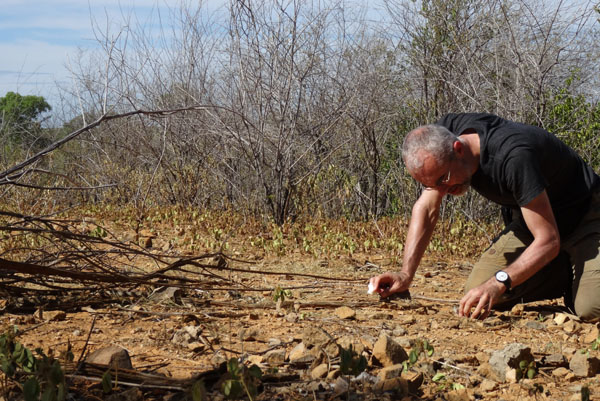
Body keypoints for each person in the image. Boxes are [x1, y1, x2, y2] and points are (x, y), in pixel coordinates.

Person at [369, 113, 600, 321]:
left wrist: (498, 282)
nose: (442, 189)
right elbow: (427, 209)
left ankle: (576, 275)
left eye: (443, 179)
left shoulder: (513, 157)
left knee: (590, 308)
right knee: (477, 293)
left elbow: (548, 241)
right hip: (533, 220)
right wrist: (405, 274)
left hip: (586, 216)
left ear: (458, 148)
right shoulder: (442, 139)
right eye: (432, 184)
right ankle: (565, 272)